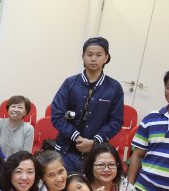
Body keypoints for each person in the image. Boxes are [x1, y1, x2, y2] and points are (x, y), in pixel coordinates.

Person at [51, 36, 123, 173]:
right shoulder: (70, 83)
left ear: (106, 57)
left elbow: (116, 121)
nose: (93, 59)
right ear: (83, 57)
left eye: (98, 55)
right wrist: (77, 137)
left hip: (96, 153)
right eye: (89, 55)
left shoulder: (114, 87)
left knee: (89, 186)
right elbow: (56, 115)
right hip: (65, 150)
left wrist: (94, 142)